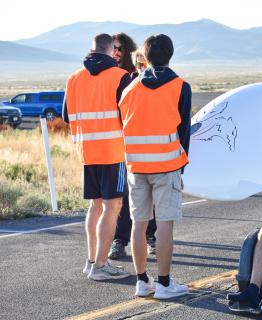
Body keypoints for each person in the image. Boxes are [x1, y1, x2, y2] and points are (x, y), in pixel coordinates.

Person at [119, 34, 192, 299]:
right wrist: (182, 168)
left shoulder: (129, 89)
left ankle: (142, 282)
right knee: (164, 224)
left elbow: (122, 125)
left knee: (138, 223)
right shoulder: (180, 86)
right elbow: (184, 132)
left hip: (136, 166)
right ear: (170, 54)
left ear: (145, 56)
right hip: (167, 164)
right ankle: (163, 284)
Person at [62, 33, 132, 280]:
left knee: (95, 206)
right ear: (113, 50)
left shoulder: (73, 78)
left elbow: (66, 116)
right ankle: (101, 266)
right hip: (113, 151)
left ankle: (91, 260)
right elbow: (129, 116)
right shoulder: (121, 77)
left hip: (87, 151)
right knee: (113, 207)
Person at [108, 35, 157, 260]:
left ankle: (150, 236)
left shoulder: (136, 76)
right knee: (123, 197)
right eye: (112, 48)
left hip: (140, 148)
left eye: (119, 48)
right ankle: (120, 239)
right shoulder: (112, 77)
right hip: (115, 147)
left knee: (145, 194)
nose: (115, 52)